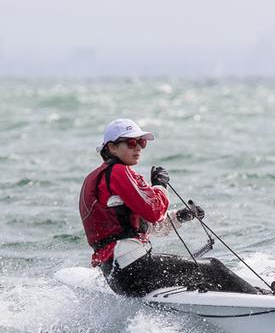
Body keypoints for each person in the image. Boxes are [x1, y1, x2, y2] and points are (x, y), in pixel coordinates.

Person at [79, 118, 258, 297]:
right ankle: (258, 299)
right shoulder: (119, 172)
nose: (139, 148)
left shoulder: (96, 179)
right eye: (131, 142)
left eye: (142, 143)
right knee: (213, 268)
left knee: (197, 267)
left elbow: (136, 227)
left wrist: (179, 216)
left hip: (117, 276)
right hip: (135, 269)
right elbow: (154, 211)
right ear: (111, 148)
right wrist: (160, 186)